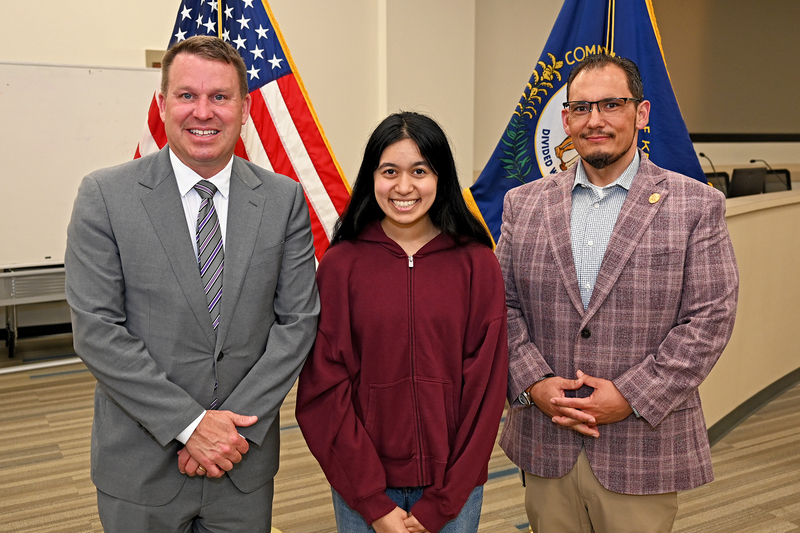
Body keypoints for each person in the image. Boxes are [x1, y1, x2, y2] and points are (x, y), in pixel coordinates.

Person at [65, 36, 319, 532]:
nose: (203, 112)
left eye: (220, 96)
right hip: (141, 469)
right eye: (187, 95)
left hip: (242, 463)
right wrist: (190, 425)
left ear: (244, 109)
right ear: (162, 104)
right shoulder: (105, 197)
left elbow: (297, 323)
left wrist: (228, 433)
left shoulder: (282, 199)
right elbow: (97, 330)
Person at [496, 54, 738, 533]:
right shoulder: (523, 204)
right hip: (547, 441)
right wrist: (534, 383)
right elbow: (500, 305)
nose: (595, 120)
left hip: (641, 447)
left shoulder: (695, 205)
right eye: (582, 108)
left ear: (641, 113)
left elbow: (710, 318)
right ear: (566, 119)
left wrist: (630, 395)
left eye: (611, 104)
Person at [295, 112, 508, 533]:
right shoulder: (341, 265)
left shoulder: (477, 264)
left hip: (454, 490)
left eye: (420, 171)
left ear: (441, 177)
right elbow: (324, 387)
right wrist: (372, 501)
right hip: (363, 487)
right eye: (390, 171)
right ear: (371, 177)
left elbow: (486, 390)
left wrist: (444, 501)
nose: (404, 187)